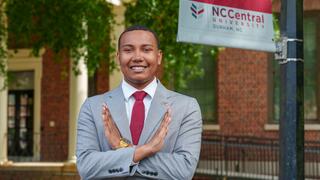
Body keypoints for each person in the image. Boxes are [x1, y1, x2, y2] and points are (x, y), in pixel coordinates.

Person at [76, 25, 202, 179]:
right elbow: (86, 167)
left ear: (159, 56)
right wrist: (143, 151)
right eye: (128, 50)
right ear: (118, 57)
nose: (137, 57)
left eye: (146, 50)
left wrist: (123, 147)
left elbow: (183, 170)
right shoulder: (92, 107)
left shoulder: (186, 107)